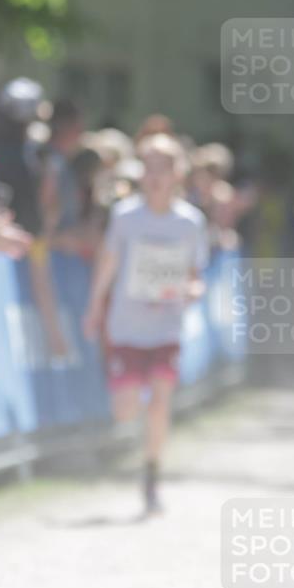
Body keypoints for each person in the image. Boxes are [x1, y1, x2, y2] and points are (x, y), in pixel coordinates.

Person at [83, 133, 209, 515]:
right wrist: (93, 309)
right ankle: (136, 433)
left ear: (177, 174)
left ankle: (152, 475)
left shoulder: (190, 222)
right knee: (126, 410)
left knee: (160, 400)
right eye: (148, 166)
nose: (155, 175)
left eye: (163, 167)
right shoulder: (126, 216)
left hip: (166, 329)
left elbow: (196, 274)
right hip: (126, 327)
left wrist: (192, 290)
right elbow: (108, 263)